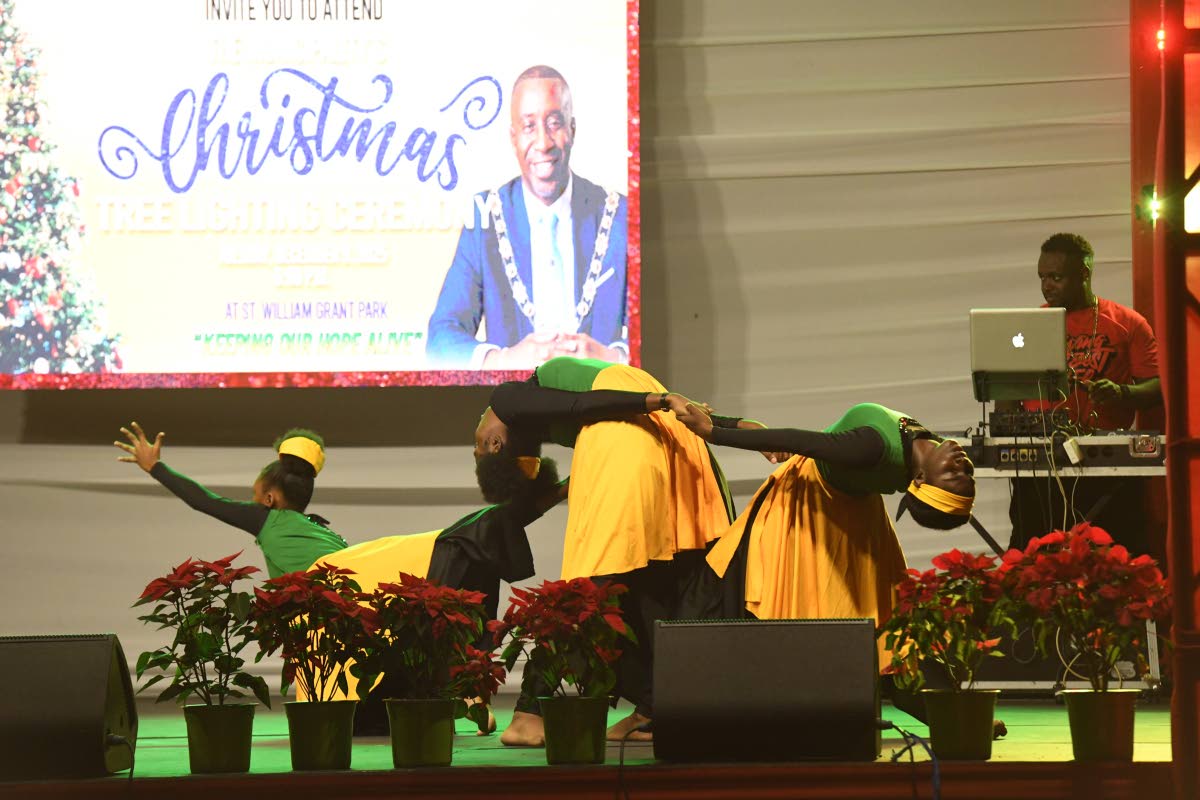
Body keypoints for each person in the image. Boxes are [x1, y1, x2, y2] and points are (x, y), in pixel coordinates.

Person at [113, 422, 565, 734]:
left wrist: (156, 467)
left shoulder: (268, 521)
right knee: (468, 546)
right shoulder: (324, 528)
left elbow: (204, 501)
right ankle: (464, 688)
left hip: (337, 610)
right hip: (358, 601)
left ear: (269, 498)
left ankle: (462, 689)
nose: (251, 503)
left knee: (466, 537)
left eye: (254, 496)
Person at [473, 356, 733, 745]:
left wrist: (660, 400)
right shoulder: (597, 401)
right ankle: (651, 709)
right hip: (670, 444)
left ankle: (529, 713)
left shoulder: (509, 396)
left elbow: (583, 406)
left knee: (584, 590)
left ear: (494, 443)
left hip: (647, 433)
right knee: (648, 579)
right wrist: (738, 426)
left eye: (475, 450)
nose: (475, 447)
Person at [673, 401, 981, 730]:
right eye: (965, 473)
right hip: (843, 515)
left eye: (953, 474)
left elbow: (796, 440)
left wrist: (713, 432)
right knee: (866, 622)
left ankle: (954, 719)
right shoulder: (926, 447)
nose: (963, 465)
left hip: (813, 510)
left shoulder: (871, 448)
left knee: (884, 628)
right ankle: (953, 719)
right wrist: (724, 422)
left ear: (920, 478)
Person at [427, 65, 629, 369]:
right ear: (513, 137)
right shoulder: (485, 217)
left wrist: (614, 358)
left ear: (572, 129)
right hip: (516, 412)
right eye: (529, 126)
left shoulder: (619, 216)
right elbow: (440, 339)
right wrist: (504, 359)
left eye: (554, 122)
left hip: (603, 408)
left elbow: (657, 329)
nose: (544, 142)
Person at [1007, 233, 1162, 554]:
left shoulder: (1127, 323)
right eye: (1042, 277)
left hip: (1107, 466)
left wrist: (1121, 392)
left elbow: (1158, 387)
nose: (1046, 286)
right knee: (1030, 559)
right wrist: (1007, 429)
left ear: (1084, 275)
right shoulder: (1028, 327)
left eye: (1056, 277)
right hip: (1042, 465)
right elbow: (1007, 393)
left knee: (1117, 555)